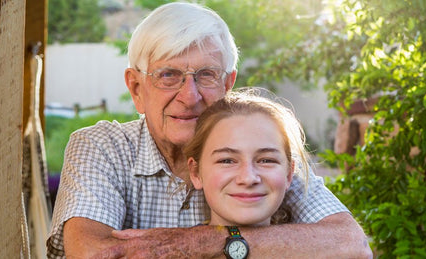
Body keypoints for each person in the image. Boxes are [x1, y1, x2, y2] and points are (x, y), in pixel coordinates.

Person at [48, 2, 372, 258]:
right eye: (168, 75)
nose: (189, 97)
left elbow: (349, 245)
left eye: (206, 75)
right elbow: (92, 254)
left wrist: (204, 242)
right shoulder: (102, 147)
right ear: (136, 88)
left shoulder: (259, 154)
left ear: (228, 85)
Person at [184, 89, 307, 228]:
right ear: (196, 173)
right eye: (227, 161)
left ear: (289, 174)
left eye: (266, 160)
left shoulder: (317, 247)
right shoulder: (171, 248)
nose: (248, 179)